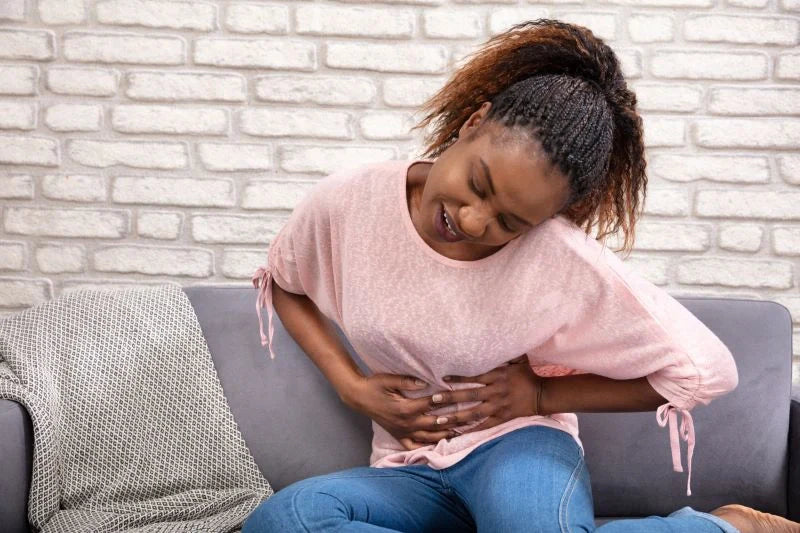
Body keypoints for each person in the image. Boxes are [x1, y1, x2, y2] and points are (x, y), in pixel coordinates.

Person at [246, 18, 800, 533]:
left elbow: (704, 371)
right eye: (478, 183)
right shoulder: (349, 202)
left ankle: (724, 526)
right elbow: (286, 280)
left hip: (517, 450)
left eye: (508, 222)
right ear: (473, 122)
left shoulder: (556, 256)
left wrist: (539, 394)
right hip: (406, 469)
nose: (471, 220)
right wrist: (353, 386)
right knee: (287, 518)